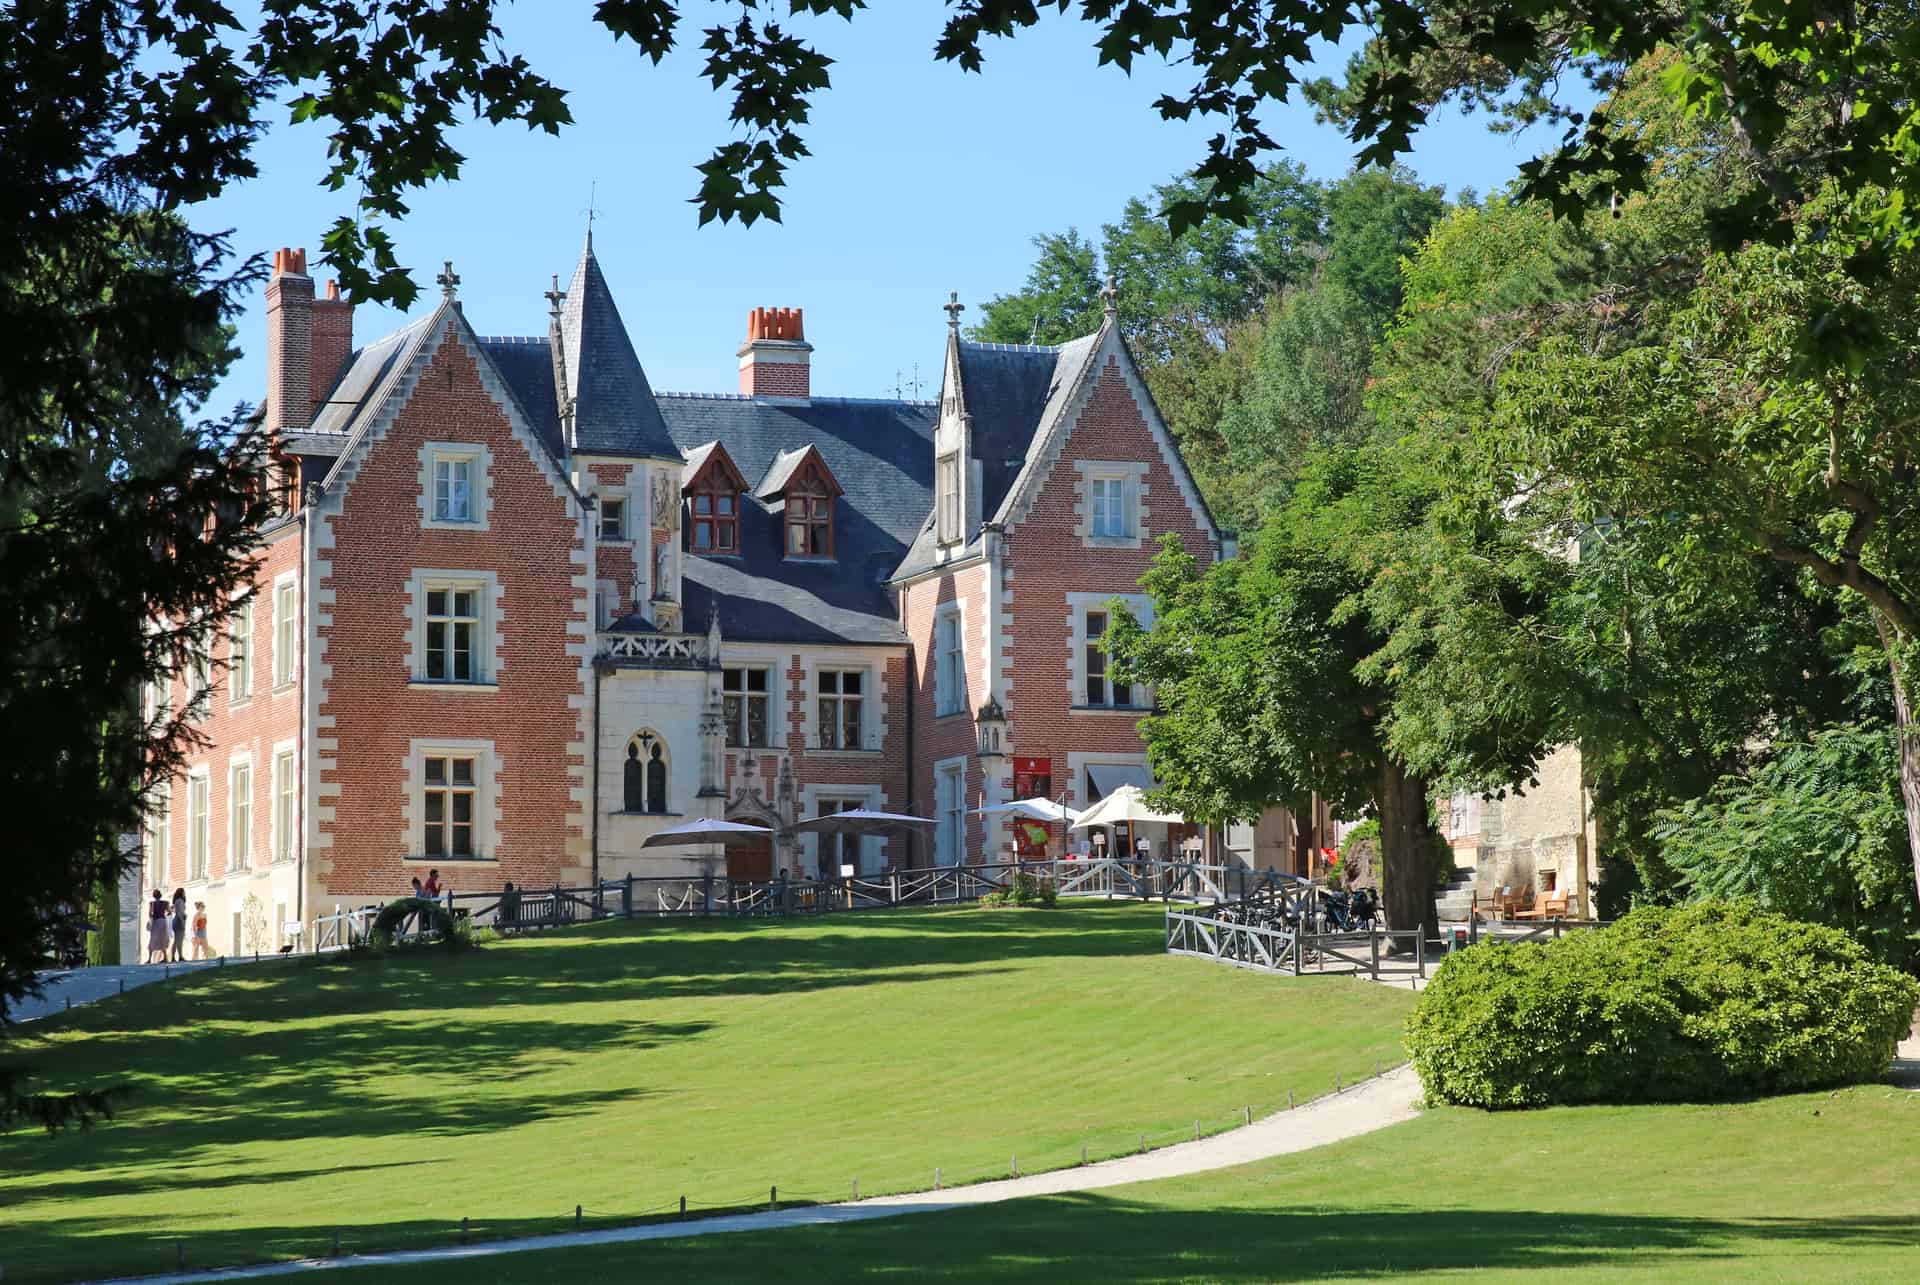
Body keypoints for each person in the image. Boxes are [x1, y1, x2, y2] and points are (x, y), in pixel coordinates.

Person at [146, 890, 170, 964]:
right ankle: (165, 957)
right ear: (160, 895)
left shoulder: (152, 903)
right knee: (162, 939)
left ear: (153, 896)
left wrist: (152, 916)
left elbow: (150, 914)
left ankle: (149, 959)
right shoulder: (165, 903)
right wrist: (164, 914)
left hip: (156, 922)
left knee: (153, 939)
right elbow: (169, 912)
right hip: (163, 922)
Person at [169, 888, 187, 963]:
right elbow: (179, 912)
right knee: (179, 940)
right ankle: (180, 956)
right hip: (179, 921)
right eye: (183, 892)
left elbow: (177, 911)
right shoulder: (180, 901)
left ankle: (174, 957)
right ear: (181, 893)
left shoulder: (176, 901)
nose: (184, 893)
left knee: (176, 940)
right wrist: (182, 922)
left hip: (176, 921)